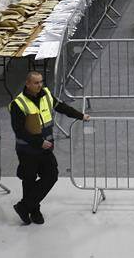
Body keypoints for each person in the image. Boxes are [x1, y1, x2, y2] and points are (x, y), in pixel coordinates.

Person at [10, 70, 88, 225]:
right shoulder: (18, 104)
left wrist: (80, 115)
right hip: (27, 150)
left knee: (51, 175)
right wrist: (38, 142)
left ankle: (24, 206)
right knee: (29, 180)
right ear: (27, 83)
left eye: (41, 82)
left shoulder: (46, 94)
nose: (40, 85)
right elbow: (19, 130)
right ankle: (34, 210)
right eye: (36, 82)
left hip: (45, 148)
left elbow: (61, 107)